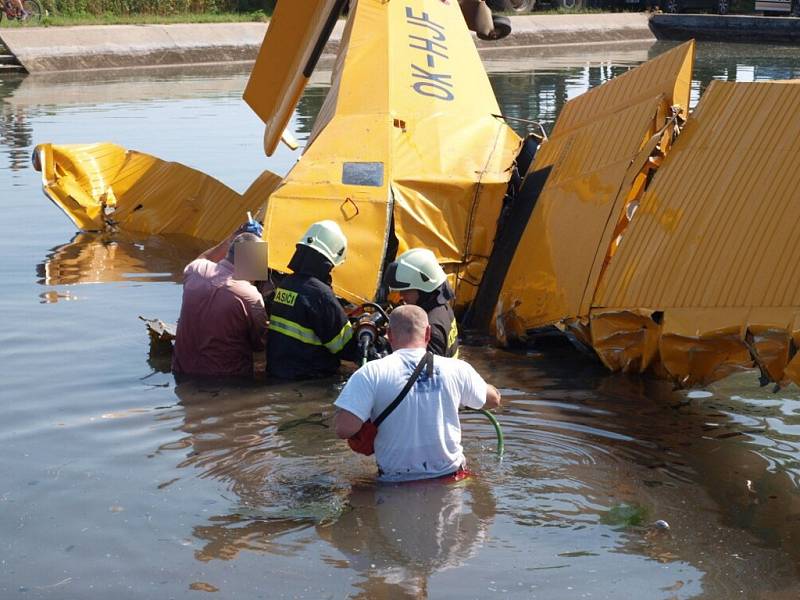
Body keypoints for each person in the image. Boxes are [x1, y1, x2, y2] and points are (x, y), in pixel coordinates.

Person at [333, 305, 501, 482]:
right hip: (450, 479)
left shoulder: (370, 373)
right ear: (428, 333)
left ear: (389, 335)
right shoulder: (457, 369)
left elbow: (344, 429)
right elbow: (493, 400)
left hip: (395, 483)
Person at [266, 220, 358, 379]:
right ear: (329, 260)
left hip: (277, 373)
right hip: (309, 380)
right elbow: (346, 348)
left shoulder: (286, 284)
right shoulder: (321, 295)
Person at [172, 227, 268, 379]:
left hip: (181, 370)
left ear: (229, 253)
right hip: (225, 382)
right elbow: (260, 344)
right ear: (252, 264)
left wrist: (234, 235)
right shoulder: (250, 296)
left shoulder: (195, 270)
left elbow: (205, 258)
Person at [384, 248, 459, 358]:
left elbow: (425, 372)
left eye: (406, 290)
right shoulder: (442, 307)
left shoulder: (432, 328)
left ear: (424, 289)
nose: (401, 295)